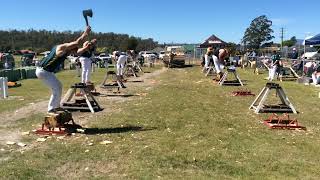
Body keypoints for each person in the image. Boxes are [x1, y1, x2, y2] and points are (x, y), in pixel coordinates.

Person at [36, 26, 91, 113]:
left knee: (58, 86)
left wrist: (85, 48)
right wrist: (86, 33)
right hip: (43, 71)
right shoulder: (62, 47)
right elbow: (77, 42)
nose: (71, 54)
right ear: (71, 47)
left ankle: (56, 107)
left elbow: (77, 52)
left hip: (47, 71)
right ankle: (51, 109)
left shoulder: (66, 50)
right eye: (71, 52)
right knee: (57, 88)